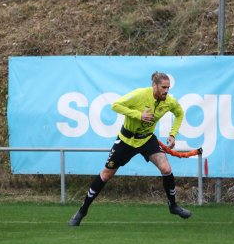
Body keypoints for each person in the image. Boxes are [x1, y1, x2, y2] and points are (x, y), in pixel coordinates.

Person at [69, 71, 191, 227]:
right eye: (163, 87)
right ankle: (82, 211)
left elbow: (179, 113)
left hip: (147, 139)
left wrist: (173, 134)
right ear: (154, 85)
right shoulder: (140, 95)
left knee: (166, 168)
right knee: (106, 175)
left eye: (168, 88)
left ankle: (173, 206)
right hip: (126, 140)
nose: (166, 91)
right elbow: (115, 105)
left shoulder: (169, 101)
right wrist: (138, 115)